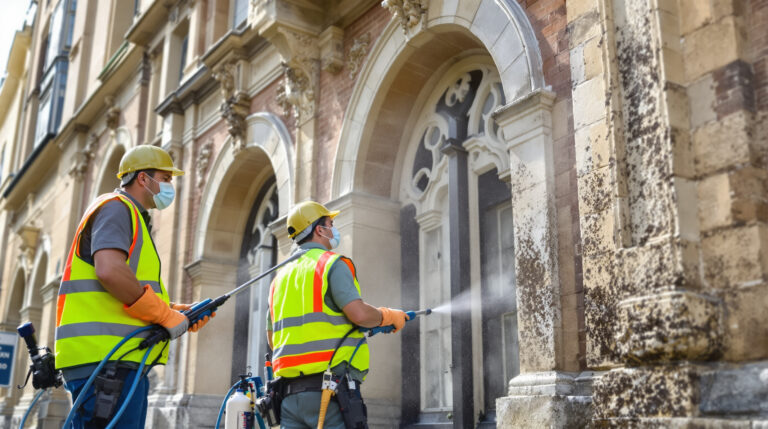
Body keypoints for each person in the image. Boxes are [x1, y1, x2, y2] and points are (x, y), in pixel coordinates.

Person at [55, 145, 213, 428]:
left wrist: (175, 311)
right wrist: (165, 317)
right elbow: (110, 270)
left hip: (111, 361)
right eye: (165, 178)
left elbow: (126, 286)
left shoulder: (129, 215)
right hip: (107, 363)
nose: (169, 186)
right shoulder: (118, 208)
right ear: (143, 179)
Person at [266, 201, 410, 429]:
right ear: (319, 230)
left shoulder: (278, 280)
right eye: (330, 223)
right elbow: (359, 314)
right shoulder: (331, 264)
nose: (334, 229)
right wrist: (388, 316)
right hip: (329, 393)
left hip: (289, 398)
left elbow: (274, 339)